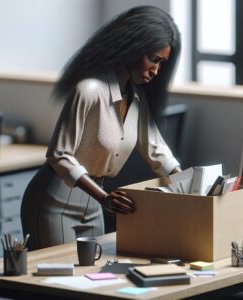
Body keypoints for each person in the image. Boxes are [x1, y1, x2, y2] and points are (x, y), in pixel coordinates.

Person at [21, 5, 182, 250]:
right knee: (61, 281)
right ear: (134, 47)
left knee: (93, 279)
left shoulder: (137, 99)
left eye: (162, 63)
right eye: (153, 59)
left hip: (95, 204)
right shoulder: (89, 91)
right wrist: (104, 198)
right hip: (55, 202)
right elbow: (59, 155)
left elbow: (158, 151)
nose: (156, 71)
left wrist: (193, 186)